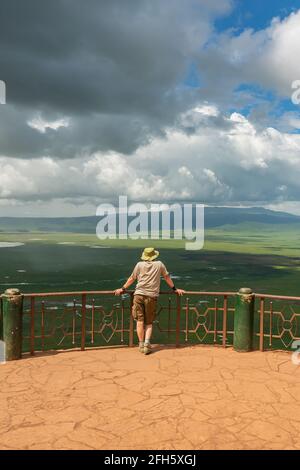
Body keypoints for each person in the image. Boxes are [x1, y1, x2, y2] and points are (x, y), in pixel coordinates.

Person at [115, 247, 185, 354]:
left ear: (144, 256)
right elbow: (167, 277)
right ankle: (147, 344)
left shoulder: (139, 265)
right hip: (151, 296)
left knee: (139, 321)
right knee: (149, 322)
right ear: (154, 256)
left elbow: (132, 278)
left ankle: (141, 344)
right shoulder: (159, 264)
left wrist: (122, 289)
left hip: (138, 295)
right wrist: (175, 289)